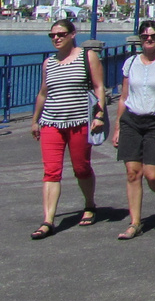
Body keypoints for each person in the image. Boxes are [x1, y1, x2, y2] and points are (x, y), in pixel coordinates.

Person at [29, 19, 107, 239]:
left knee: (81, 167)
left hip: (79, 122)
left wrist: (99, 114)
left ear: (73, 34)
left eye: (61, 34)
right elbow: (43, 93)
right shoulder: (49, 63)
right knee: (51, 172)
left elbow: (99, 86)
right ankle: (48, 221)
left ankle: (90, 204)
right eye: (52, 35)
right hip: (51, 123)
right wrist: (35, 120)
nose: (56, 38)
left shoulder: (87, 57)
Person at [113, 19, 155, 240]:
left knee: (152, 175)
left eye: (152, 36)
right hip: (131, 121)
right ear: (140, 39)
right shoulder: (131, 63)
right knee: (133, 173)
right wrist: (117, 127)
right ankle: (135, 223)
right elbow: (123, 97)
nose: (148, 39)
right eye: (144, 36)